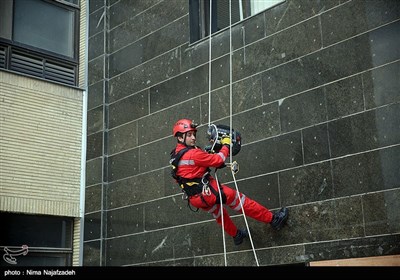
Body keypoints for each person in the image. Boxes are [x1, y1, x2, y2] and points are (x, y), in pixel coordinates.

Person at [170, 119, 289, 245]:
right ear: (180, 137)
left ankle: (236, 235)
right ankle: (274, 220)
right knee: (239, 201)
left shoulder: (175, 155)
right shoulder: (192, 153)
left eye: (194, 134)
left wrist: (202, 165)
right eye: (189, 135)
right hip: (209, 192)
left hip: (195, 198)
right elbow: (218, 160)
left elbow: (181, 175)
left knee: (219, 215)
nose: (193, 138)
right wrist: (226, 145)